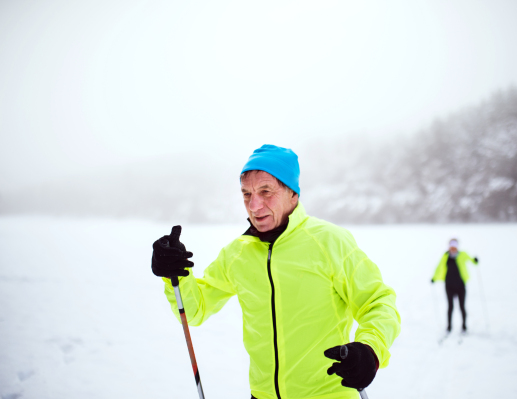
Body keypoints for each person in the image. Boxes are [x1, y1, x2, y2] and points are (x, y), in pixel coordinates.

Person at [151, 144, 401, 399]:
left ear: (292, 193)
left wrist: (370, 349)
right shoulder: (238, 254)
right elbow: (195, 310)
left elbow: (378, 302)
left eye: (265, 191)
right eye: (246, 194)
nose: (254, 205)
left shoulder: (328, 242)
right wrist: (175, 274)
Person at [431, 238, 478, 332]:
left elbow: (471, 260)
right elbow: (439, 267)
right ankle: (449, 326)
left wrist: (475, 260)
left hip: (461, 285)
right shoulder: (445, 256)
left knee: (462, 306)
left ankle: (464, 325)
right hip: (449, 285)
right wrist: (434, 278)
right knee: (450, 306)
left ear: (457, 246)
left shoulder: (462, 254)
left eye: (455, 246)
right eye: (451, 245)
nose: (453, 248)